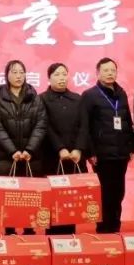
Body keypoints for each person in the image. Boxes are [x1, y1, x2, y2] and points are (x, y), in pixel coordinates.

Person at [0, 59, 47, 235]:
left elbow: (41, 125)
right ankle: (10, 228)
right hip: (6, 156)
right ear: (7, 75)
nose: (18, 76)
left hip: (32, 156)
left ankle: (30, 227)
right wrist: (13, 151)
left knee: (30, 194)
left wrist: (29, 149)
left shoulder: (35, 98)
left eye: (21, 72)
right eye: (14, 72)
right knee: (9, 195)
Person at [78, 58, 134, 234]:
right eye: (106, 70)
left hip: (121, 151)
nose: (110, 73)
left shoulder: (121, 93)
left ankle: (115, 224)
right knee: (105, 192)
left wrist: (131, 146)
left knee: (119, 191)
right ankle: (103, 226)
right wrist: (90, 152)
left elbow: (127, 120)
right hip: (101, 153)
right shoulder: (89, 95)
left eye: (113, 70)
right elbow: (85, 126)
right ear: (97, 73)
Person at [40, 63, 87, 235]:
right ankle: (52, 239)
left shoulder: (77, 98)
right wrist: (59, 148)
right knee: (53, 200)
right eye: (57, 74)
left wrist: (79, 149)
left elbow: (84, 126)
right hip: (52, 157)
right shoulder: (42, 99)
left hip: (74, 157)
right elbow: (45, 126)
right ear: (49, 78)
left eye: (64, 74)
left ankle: (70, 236)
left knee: (72, 199)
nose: (61, 78)